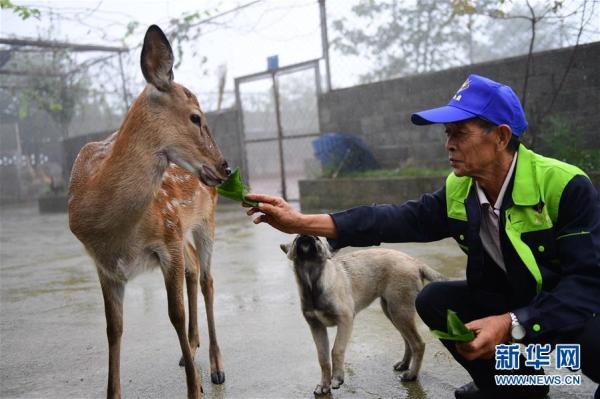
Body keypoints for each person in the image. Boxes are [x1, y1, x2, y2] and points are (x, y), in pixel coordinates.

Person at [244, 74, 600, 399]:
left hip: (571, 305)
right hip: (513, 295)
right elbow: (397, 219)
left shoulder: (564, 186)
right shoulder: (461, 188)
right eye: (446, 133)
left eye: (459, 132)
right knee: (435, 300)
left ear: (502, 136)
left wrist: (511, 323)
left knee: (593, 340)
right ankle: (519, 386)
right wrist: (301, 221)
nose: (448, 144)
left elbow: (586, 285)